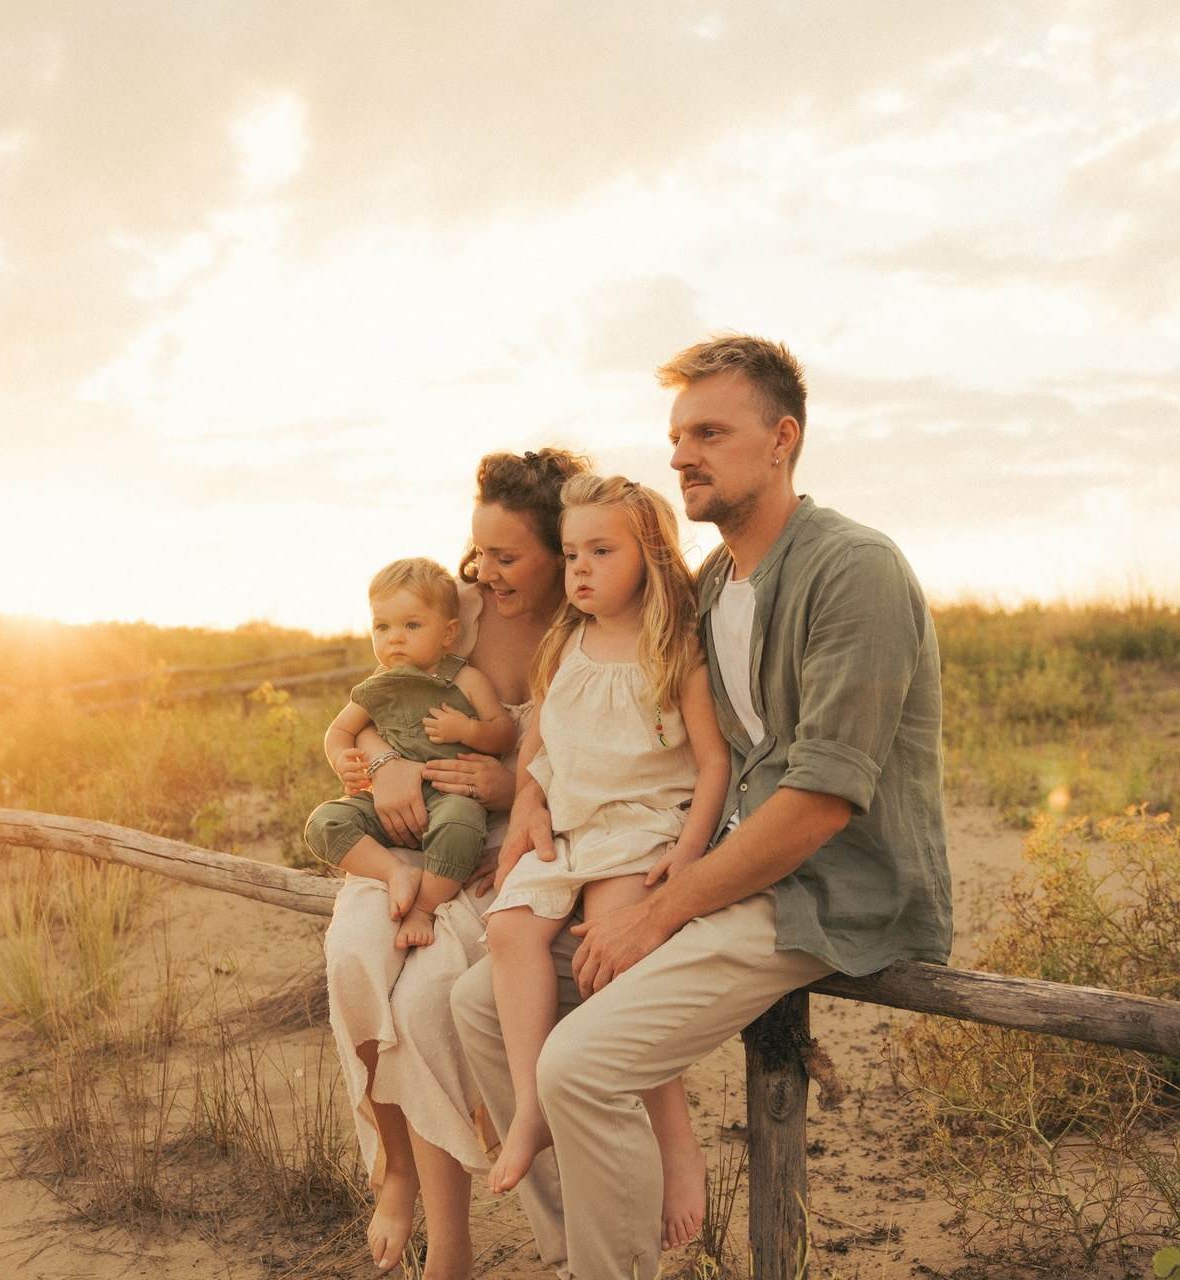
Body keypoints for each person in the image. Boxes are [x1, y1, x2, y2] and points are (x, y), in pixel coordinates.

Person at [452, 335, 953, 1280]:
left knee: (581, 1066)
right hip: (712, 861)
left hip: (816, 888)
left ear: (782, 440)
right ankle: (584, 1254)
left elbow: (820, 803)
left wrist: (659, 910)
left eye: (711, 432)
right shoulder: (710, 588)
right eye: (677, 434)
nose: (682, 454)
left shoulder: (853, 570)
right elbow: (600, 710)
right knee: (479, 1004)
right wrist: (532, 800)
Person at [319, 448, 595, 1280]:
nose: (485, 571)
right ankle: (394, 1168)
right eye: (479, 552)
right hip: (416, 823)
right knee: (350, 956)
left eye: (507, 557)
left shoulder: (587, 626)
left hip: (514, 846)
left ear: (563, 549)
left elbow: (601, 762)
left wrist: (512, 783)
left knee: (434, 992)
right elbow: (378, 702)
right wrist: (383, 765)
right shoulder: (457, 612)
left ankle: (451, 1242)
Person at [482, 473, 729, 1223]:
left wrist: (689, 851)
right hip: (573, 822)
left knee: (606, 967)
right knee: (508, 928)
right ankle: (531, 1105)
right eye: (569, 553)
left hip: (643, 829)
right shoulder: (565, 642)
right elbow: (540, 742)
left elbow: (714, 762)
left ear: (649, 556)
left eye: (600, 550)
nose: (579, 568)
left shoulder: (673, 647)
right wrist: (530, 801)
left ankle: (676, 1149)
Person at [304, 556, 517, 948]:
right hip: (388, 809)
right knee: (324, 822)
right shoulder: (378, 685)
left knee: (462, 825)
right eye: (382, 626)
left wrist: (468, 729)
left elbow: (504, 732)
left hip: (450, 799)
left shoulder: (465, 680)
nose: (394, 638)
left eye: (411, 625)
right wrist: (342, 760)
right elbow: (340, 730)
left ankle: (423, 907)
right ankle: (394, 872)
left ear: (449, 632)